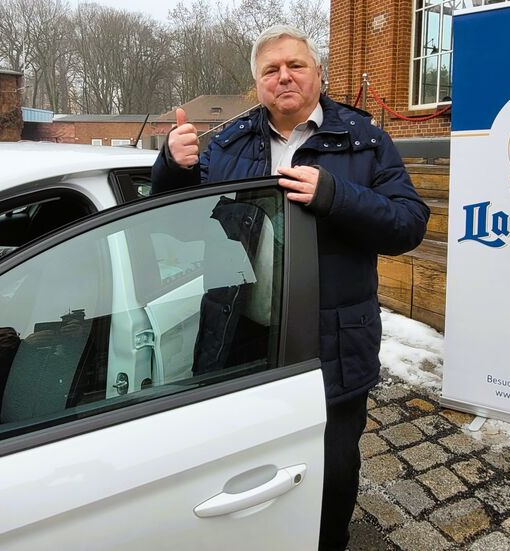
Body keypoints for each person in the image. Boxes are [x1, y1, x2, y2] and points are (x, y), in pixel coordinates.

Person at [151, 24, 429, 551]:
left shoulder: (365, 141)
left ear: (318, 73)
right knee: (238, 459)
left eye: (295, 66)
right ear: (257, 83)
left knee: (333, 463)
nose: (284, 77)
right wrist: (172, 167)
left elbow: (409, 224)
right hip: (242, 331)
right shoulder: (230, 141)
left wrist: (337, 196)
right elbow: (180, 221)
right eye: (270, 70)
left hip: (329, 340)